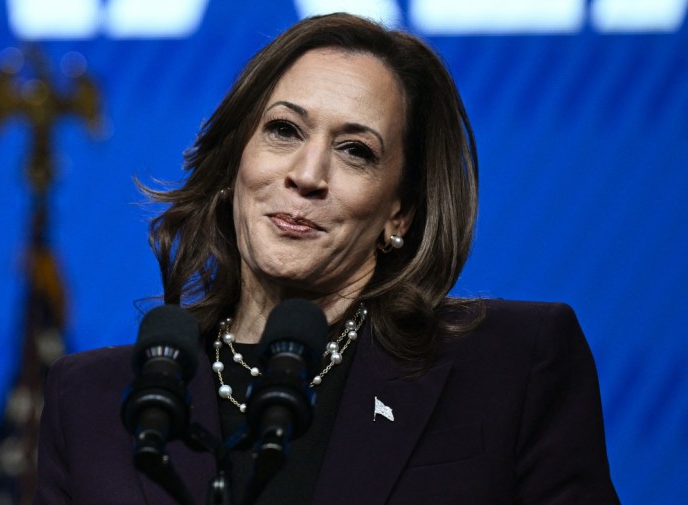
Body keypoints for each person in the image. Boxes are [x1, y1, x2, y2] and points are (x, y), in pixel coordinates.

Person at [34, 13, 619, 505]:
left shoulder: (510, 368)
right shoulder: (93, 404)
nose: (307, 176)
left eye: (355, 151)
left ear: (400, 212)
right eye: (284, 130)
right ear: (236, 162)